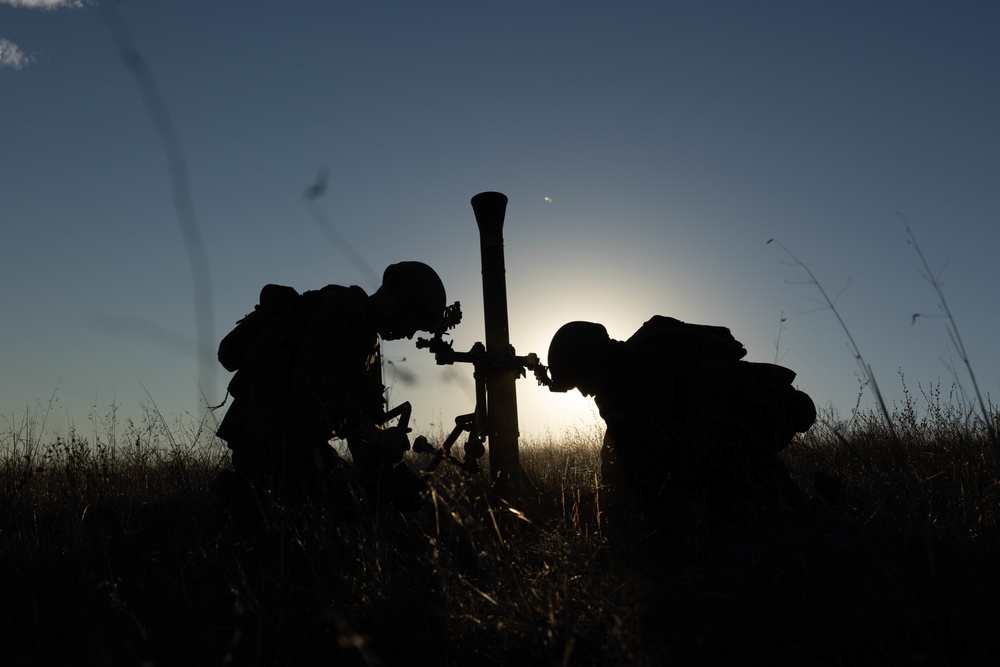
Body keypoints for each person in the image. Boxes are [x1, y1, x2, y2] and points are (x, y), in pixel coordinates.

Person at [214, 261, 447, 512]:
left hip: (291, 442)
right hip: (267, 437)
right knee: (339, 514)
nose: (411, 334)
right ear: (400, 298)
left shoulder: (368, 337)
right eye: (416, 321)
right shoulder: (346, 311)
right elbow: (310, 384)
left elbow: (362, 416)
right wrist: (376, 436)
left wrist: (381, 460)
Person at [545, 316, 816, 522]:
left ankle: (804, 514)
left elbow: (680, 457)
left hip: (760, 416)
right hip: (723, 435)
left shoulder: (649, 367)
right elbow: (621, 465)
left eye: (581, 381)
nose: (583, 393)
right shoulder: (623, 387)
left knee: (731, 502)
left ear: (595, 362)